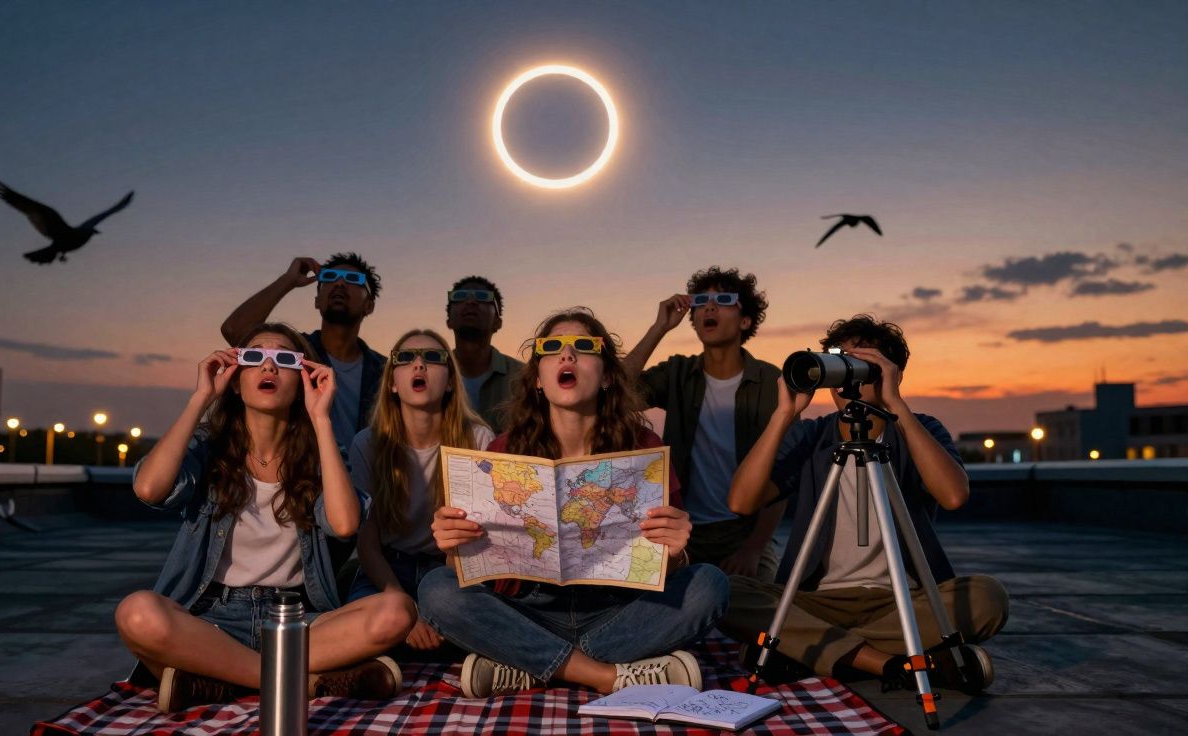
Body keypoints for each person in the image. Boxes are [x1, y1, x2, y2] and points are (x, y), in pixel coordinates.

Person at [418, 308, 731, 698]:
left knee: (709, 584)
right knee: (436, 588)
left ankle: (531, 664)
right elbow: (470, 572)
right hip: (529, 611)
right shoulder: (505, 451)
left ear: (606, 376)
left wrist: (678, 552)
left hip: (616, 613)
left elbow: (667, 568)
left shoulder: (644, 450)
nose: (567, 356)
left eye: (584, 347)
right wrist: (454, 548)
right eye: (552, 348)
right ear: (536, 376)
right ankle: (604, 675)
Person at [113, 323, 415, 713]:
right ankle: (303, 683)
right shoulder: (209, 447)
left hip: (297, 618)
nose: (269, 368)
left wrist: (321, 419)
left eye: (284, 360)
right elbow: (150, 489)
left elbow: (344, 524)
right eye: (254, 357)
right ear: (236, 381)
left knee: (396, 611)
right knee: (136, 613)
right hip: (213, 620)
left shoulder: (321, 451)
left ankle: (221, 681)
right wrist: (200, 398)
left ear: (303, 379)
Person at [721, 315, 1009, 693]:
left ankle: (808, 650)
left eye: (861, 366)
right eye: (838, 365)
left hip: (902, 600)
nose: (846, 381)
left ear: (890, 374)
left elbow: (954, 496)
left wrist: (897, 406)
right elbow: (741, 501)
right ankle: (893, 664)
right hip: (817, 601)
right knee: (721, 591)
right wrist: (783, 415)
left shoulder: (918, 428)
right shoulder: (811, 435)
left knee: (989, 598)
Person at [623, 266, 783, 581]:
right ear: (693, 319)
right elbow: (614, 393)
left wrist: (753, 549)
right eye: (700, 302)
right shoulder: (678, 372)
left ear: (745, 320)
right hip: (682, 529)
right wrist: (659, 328)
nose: (709, 307)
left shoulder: (770, 381)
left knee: (762, 614)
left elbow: (782, 473)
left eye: (724, 300)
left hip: (744, 533)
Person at [347, 328, 495, 654]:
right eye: (405, 358)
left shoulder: (479, 439)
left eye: (432, 358)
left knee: (473, 623)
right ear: (391, 382)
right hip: (386, 570)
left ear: (452, 380)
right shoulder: (367, 444)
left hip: (449, 570)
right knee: (368, 628)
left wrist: (433, 608)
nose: (419, 365)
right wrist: (405, 609)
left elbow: (471, 540)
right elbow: (367, 543)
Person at [220, 253, 385, 455]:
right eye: (330, 277)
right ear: (317, 300)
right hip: (305, 476)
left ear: (369, 306)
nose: (340, 284)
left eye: (353, 279)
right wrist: (287, 281)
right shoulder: (292, 354)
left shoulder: (385, 371)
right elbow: (235, 331)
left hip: (368, 482)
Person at [445, 275, 525, 432]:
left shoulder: (523, 377)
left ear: (498, 322)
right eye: (459, 297)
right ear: (449, 321)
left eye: (483, 297)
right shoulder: (431, 375)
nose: (470, 302)